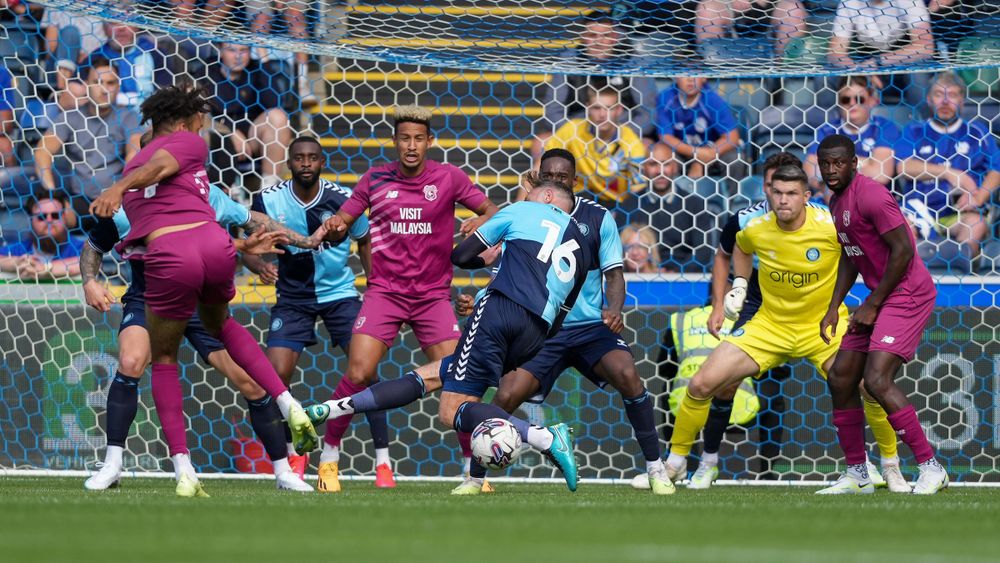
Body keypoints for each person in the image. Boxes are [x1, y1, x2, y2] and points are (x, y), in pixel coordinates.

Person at [88, 84, 318, 497]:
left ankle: (282, 470)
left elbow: (252, 223)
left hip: (188, 283)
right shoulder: (129, 197)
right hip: (150, 293)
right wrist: (90, 279)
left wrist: (305, 240)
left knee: (248, 383)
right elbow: (93, 246)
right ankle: (112, 464)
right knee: (132, 358)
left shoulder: (203, 190)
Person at [307, 181, 596, 493]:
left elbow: (461, 256)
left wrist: (487, 257)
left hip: (500, 311)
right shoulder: (581, 240)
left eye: (533, 192)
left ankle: (544, 438)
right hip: (537, 332)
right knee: (433, 375)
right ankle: (332, 409)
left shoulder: (522, 210)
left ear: (548, 197)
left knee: (451, 409)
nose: (527, 195)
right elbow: (564, 308)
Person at [454, 150, 673, 495]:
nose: (555, 182)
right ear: (539, 178)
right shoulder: (525, 215)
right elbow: (509, 275)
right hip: (543, 331)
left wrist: (614, 309)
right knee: (507, 394)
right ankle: (475, 478)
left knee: (628, 375)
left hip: (588, 328)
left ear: (575, 182)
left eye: (562, 178)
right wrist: (478, 301)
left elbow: (614, 273)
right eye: (549, 176)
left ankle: (656, 469)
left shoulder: (598, 218)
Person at [663, 165, 899, 486]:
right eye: (777, 193)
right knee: (702, 384)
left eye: (790, 194)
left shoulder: (830, 225)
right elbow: (740, 249)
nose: (783, 201)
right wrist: (741, 286)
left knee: (868, 387)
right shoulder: (756, 226)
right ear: (768, 193)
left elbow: (866, 254)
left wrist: (873, 301)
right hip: (770, 327)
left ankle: (889, 465)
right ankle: (676, 463)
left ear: (806, 196)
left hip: (822, 328)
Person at [312, 105, 498, 493]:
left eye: (418, 139)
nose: (411, 146)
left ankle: (472, 471)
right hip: (385, 292)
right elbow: (343, 223)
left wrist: (483, 219)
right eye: (404, 139)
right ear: (395, 142)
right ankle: (329, 459)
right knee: (359, 372)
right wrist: (333, 227)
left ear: (429, 142)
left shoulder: (448, 177)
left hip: (432, 296)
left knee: (457, 381)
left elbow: (492, 210)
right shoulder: (374, 178)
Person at [252, 136, 394, 488]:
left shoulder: (342, 200)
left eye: (312, 158)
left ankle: (383, 462)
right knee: (274, 378)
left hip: (340, 295)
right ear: (289, 162)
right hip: (292, 299)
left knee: (367, 372)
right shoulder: (268, 200)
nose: (305, 163)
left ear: (321, 162)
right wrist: (256, 264)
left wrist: (374, 283)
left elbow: (364, 238)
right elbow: (247, 245)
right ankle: (291, 460)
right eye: (299, 158)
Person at [816, 134, 949, 495]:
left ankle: (930, 467)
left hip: (907, 293)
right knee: (841, 377)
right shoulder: (835, 201)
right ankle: (858, 473)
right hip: (879, 295)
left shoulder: (872, 195)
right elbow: (851, 254)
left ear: (854, 163)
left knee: (876, 380)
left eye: (839, 162)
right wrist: (833, 306)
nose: (831, 169)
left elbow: (904, 250)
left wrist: (873, 303)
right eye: (825, 163)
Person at [628, 297, 759, 490]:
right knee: (704, 386)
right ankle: (682, 464)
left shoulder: (683, 319)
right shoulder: (746, 316)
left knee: (679, 388)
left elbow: (664, 366)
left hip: (687, 405)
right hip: (742, 409)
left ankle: (685, 463)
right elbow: (780, 372)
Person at [896, 72, 1000, 268]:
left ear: (962, 100)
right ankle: (912, 275)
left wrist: (979, 197)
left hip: (960, 212)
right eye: (938, 94)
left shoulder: (976, 131)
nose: (945, 101)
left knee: (975, 226)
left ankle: (962, 271)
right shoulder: (915, 130)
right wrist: (949, 173)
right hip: (919, 208)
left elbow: (997, 169)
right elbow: (903, 166)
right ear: (928, 99)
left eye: (952, 95)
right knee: (902, 227)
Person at [534, 10, 659, 160]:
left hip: (623, 131)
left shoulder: (633, 61)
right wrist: (580, 133)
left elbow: (648, 113)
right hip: (578, 132)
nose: (599, 41)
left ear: (614, 38)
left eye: (605, 36)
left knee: (648, 147)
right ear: (583, 37)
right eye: (593, 35)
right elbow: (553, 110)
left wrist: (619, 133)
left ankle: (634, 183)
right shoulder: (568, 61)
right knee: (541, 143)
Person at [34, 57, 143, 226]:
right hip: (78, 200)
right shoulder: (70, 117)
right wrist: (52, 193)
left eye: (110, 83)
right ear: (86, 85)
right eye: (98, 82)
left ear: (118, 86)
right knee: (54, 219)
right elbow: (42, 152)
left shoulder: (129, 117)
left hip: (117, 198)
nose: (104, 89)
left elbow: (134, 154)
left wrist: (119, 190)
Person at [616, 143, 716, 272]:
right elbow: (618, 251)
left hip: (683, 280)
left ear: (675, 167)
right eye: (653, 164)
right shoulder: (629, 205)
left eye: (666, 164)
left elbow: (703, 252)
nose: (660, 171)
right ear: (643, 169)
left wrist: (675, 272)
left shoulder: (694, 205)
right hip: (640, 276)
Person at [205, 42, 293, 186]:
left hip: (252, 138)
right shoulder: (207, 71)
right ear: (220, 51)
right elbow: (200, 113)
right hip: (217, 137)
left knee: (278, 117)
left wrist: (264, 58)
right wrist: (229, 132)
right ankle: (219, 188)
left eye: (243, 50)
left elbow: (275, 103)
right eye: (232, 50)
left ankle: (270, 190)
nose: (238, 56)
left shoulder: (257, 69)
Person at [545, 87, 647, 203]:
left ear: (619, 110)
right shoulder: (573, 130)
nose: (602, 114)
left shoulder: (631, 143)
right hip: (578, 198)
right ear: (588, 108)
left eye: (609, 108)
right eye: (596, 108)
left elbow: (638, 189)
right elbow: (543, 161)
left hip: (616, 203)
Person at [806, 76, 901, 195]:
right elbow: (811, 172)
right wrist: (866, 162)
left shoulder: (885, 127)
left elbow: (880, 174)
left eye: (859, 99)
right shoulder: (827, 130)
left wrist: (833, 164)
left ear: (872, 101)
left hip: (873, 199)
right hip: (834, 198)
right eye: (846, 99)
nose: (852, 103)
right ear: (839, 103)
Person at [655, 77, 742, 181]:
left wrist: (702, 160)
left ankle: (732, 197)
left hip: (712, 151)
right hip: (682, 152)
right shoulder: (665, 98)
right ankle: (672, 196)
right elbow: (665, 137)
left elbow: (732, 137)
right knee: (664, 159)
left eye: (696, 73)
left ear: (705, 77)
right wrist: (695, 153)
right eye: (685, 73)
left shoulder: (713, 99)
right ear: (675, 76)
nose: (690, 79)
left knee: (735, 159)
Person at [0, 192, 84, 280]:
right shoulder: (21, 249)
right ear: (31, 220)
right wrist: (15, 263)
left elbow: (92, 263)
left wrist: (46, 269)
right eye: (42, 216)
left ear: (64, 218)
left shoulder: (79, 247)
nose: (49, 220)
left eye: (55, 215)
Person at [695, 0, 807, 59]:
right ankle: (716, 74)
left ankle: (784, 76)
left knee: (794, 10)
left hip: (774, 5)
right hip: (726, 5)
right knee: (707, 9)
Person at [88, 23, 159, 108]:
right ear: (104, 28)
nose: (121, 28)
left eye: (127, 22)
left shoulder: (154, 53)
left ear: (137, 27)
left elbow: (166, 91)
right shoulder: (95, 57)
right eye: (114, 23)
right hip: (107, 117)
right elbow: (76, 90)